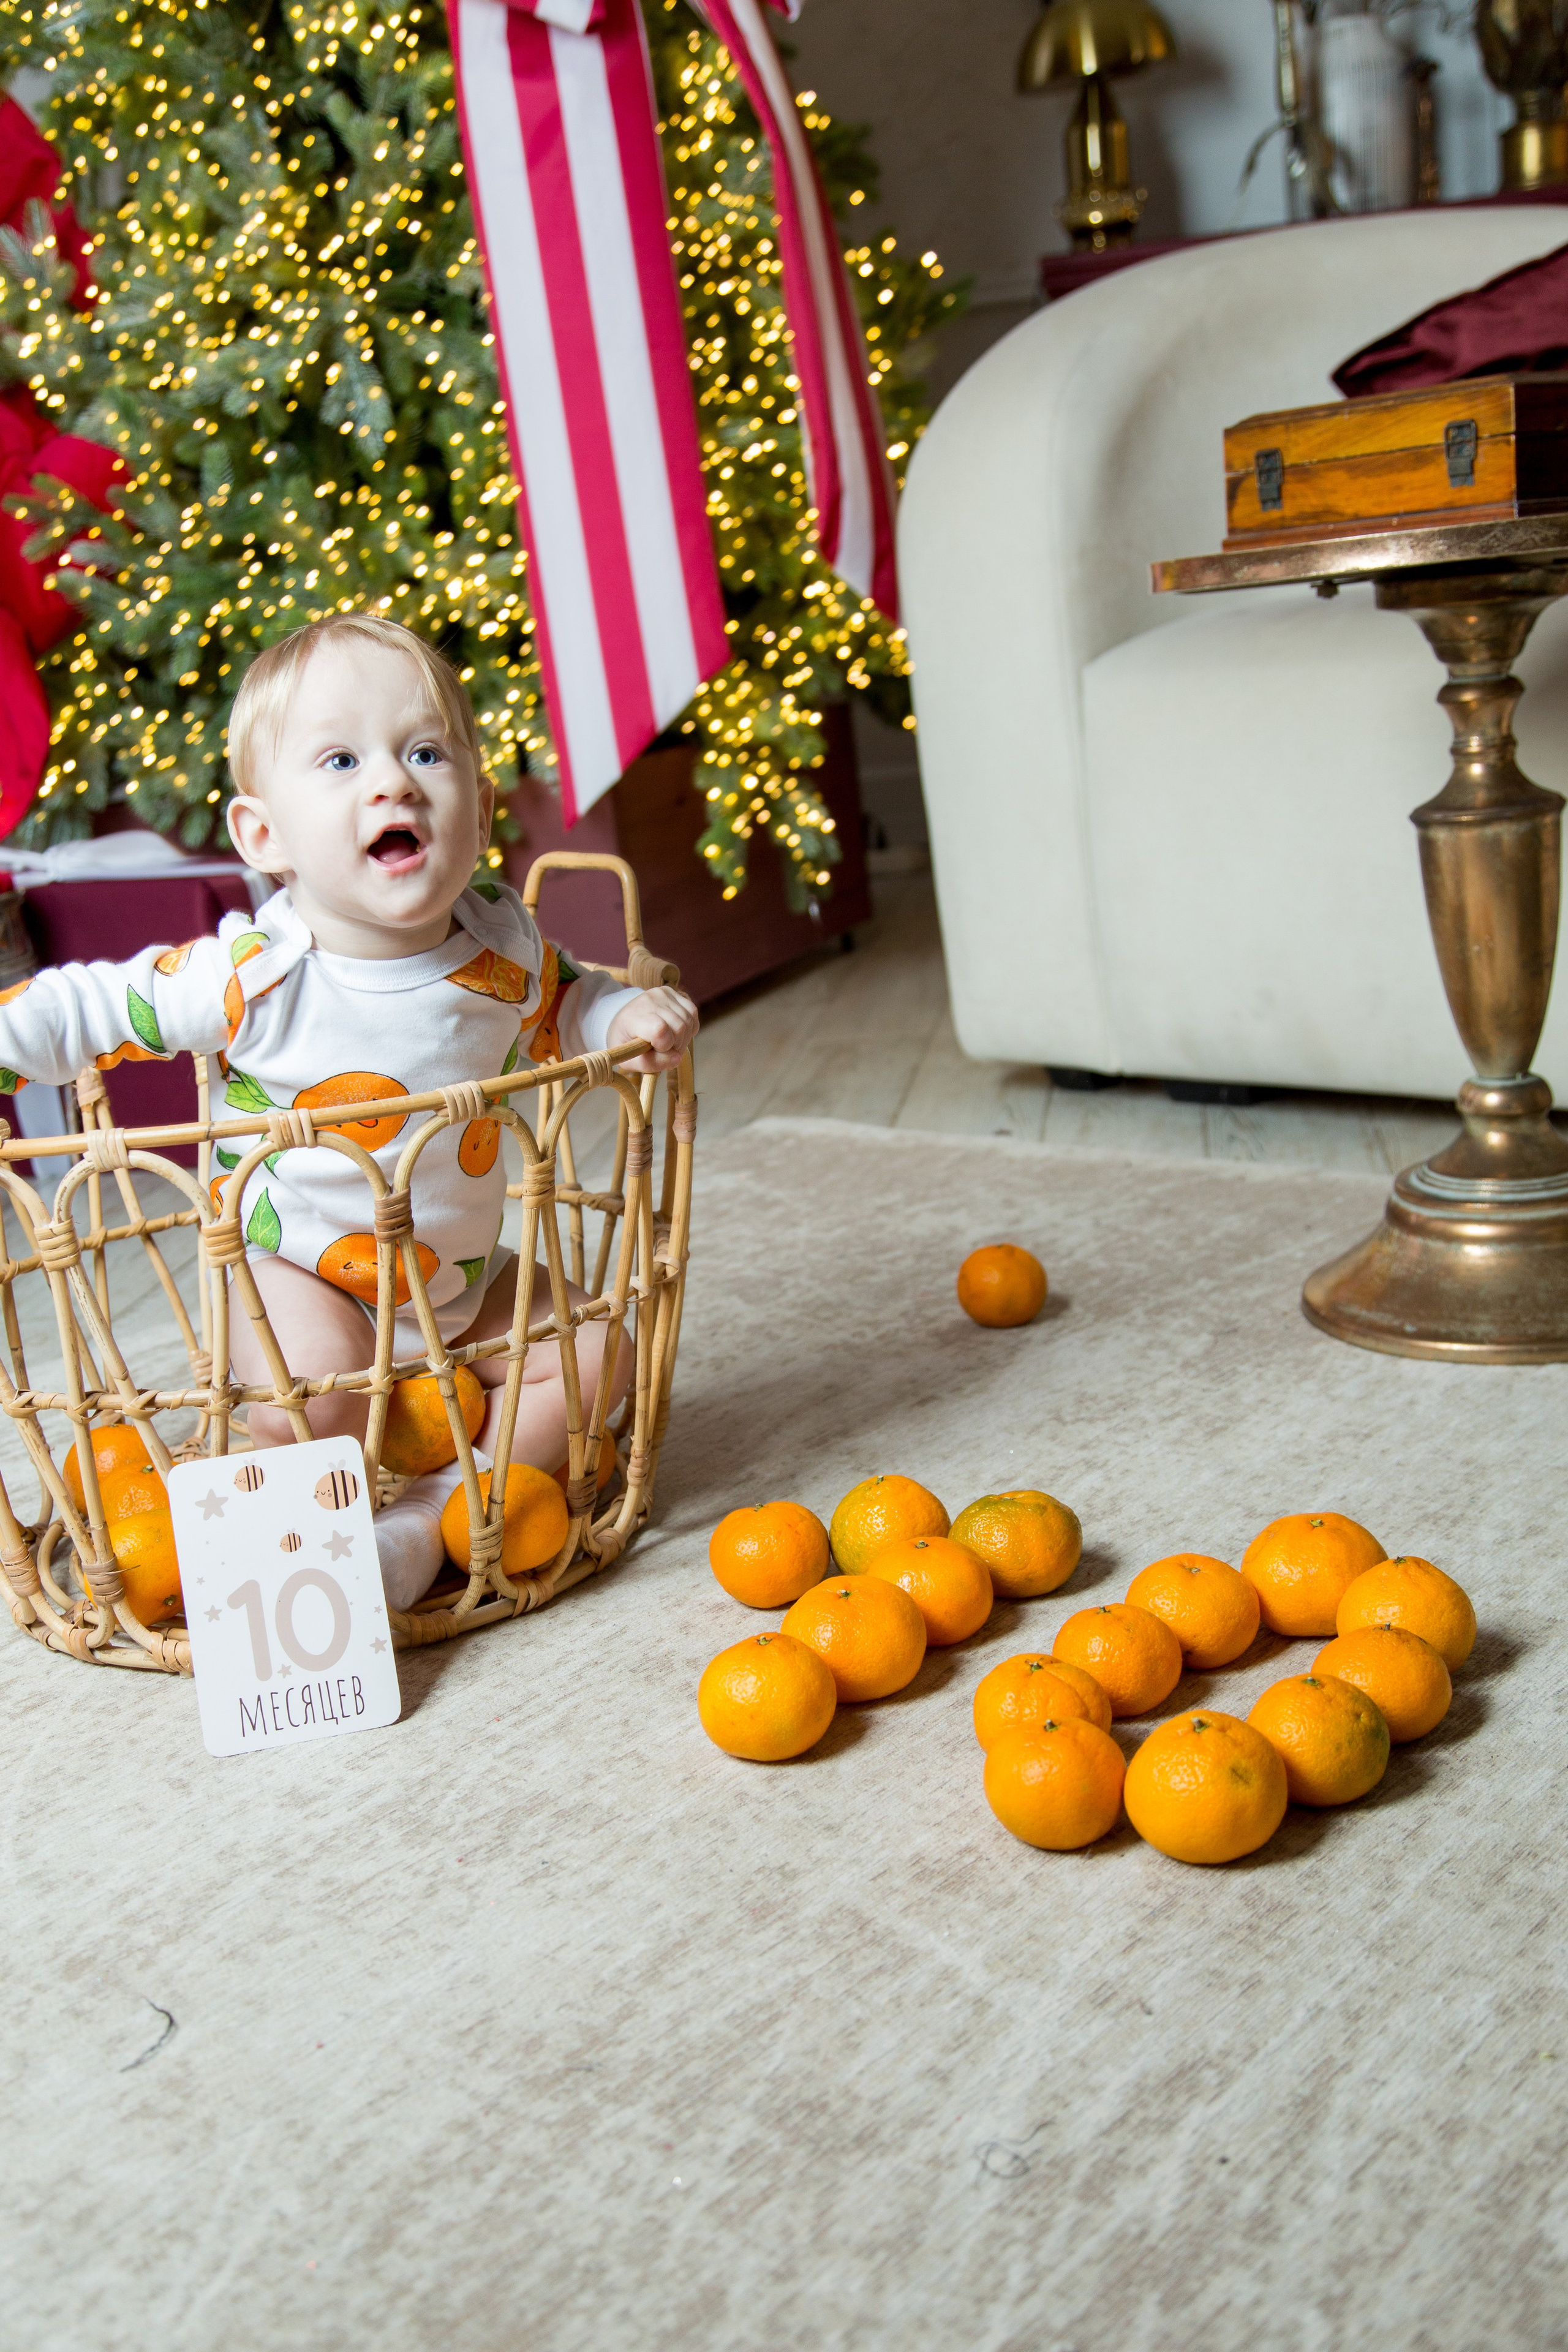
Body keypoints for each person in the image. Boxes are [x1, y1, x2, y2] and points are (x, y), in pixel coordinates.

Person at [0, 611, 698, 1604]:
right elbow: (94, 1006)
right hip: (302, 1273)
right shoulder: (257, 972)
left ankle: (430, 1517)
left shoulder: (501, 942)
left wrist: (619, 1013)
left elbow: (566, 1004)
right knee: (305, 1402)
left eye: (426, 753)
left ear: (481, 810)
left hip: (456, 1282)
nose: (393, 783)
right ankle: (305, 1560)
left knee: (600, 1354)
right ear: (265, 837)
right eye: (340, 761)